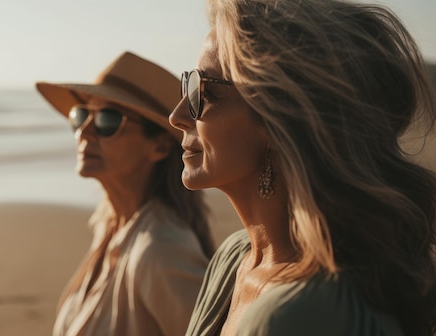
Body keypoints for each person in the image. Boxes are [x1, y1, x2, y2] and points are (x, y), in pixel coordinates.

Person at [169, 0, 436, 335]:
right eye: (187, 82)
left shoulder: (301, 314)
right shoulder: (233, 259)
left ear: (275, 118)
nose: (177, 116)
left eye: (201, 91)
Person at [35, 51, 215, 336]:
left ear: (159, 147)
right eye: (81, 115)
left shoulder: (160, 250)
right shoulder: (109, 223)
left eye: (107, 120)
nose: (84, 131)